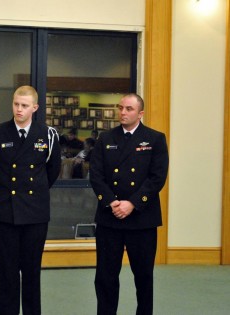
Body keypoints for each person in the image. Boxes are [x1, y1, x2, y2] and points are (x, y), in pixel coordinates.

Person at [0, 85, 61, 315]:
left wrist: (33, 190)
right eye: (16, 104)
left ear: (34, 107)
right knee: (8, 271)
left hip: (35, 214)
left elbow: (52, 171)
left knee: (32, 270)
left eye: (24, 106)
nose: (19, 109)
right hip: (5, 212)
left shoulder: (47, 135)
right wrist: (5, 191)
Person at [89, 93, 169, 315]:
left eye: (129, 109)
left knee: (143, 277)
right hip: (110, 216)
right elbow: (95, 175)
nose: (123, 112)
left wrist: (133, 203)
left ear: (140, 113)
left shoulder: (155, 139)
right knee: (105, 276)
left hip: (142, 218)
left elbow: (157, 177)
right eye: (121, 108)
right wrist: (112, 202)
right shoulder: (106, 138)